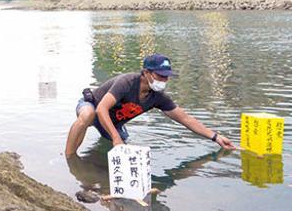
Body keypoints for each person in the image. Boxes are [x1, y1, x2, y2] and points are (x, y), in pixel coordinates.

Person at [64, 54, 236, 157]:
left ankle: (94, 159)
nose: (164, 80)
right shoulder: (127, 82)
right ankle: (70, 159)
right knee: (88, 116)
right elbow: (102, 108)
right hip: (92, 106)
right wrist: (115, 138)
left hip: (114, 123)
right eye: (160, 76)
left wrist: (216, 137)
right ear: (146, 73)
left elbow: (185, 119)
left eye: (167, 77)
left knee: (124, 147)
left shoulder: (157, 97)